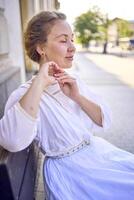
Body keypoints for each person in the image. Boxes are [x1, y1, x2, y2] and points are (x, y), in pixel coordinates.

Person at [0, 11, 134, 200]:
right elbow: (12, 140)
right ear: (41, 48)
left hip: (98, 156)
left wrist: (77, 96)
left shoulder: (72, 80)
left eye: (72, 39)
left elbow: (104, 120)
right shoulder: (24, 94)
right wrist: (39, 82)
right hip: (73, 173)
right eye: (64, 41)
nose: (73, 47)